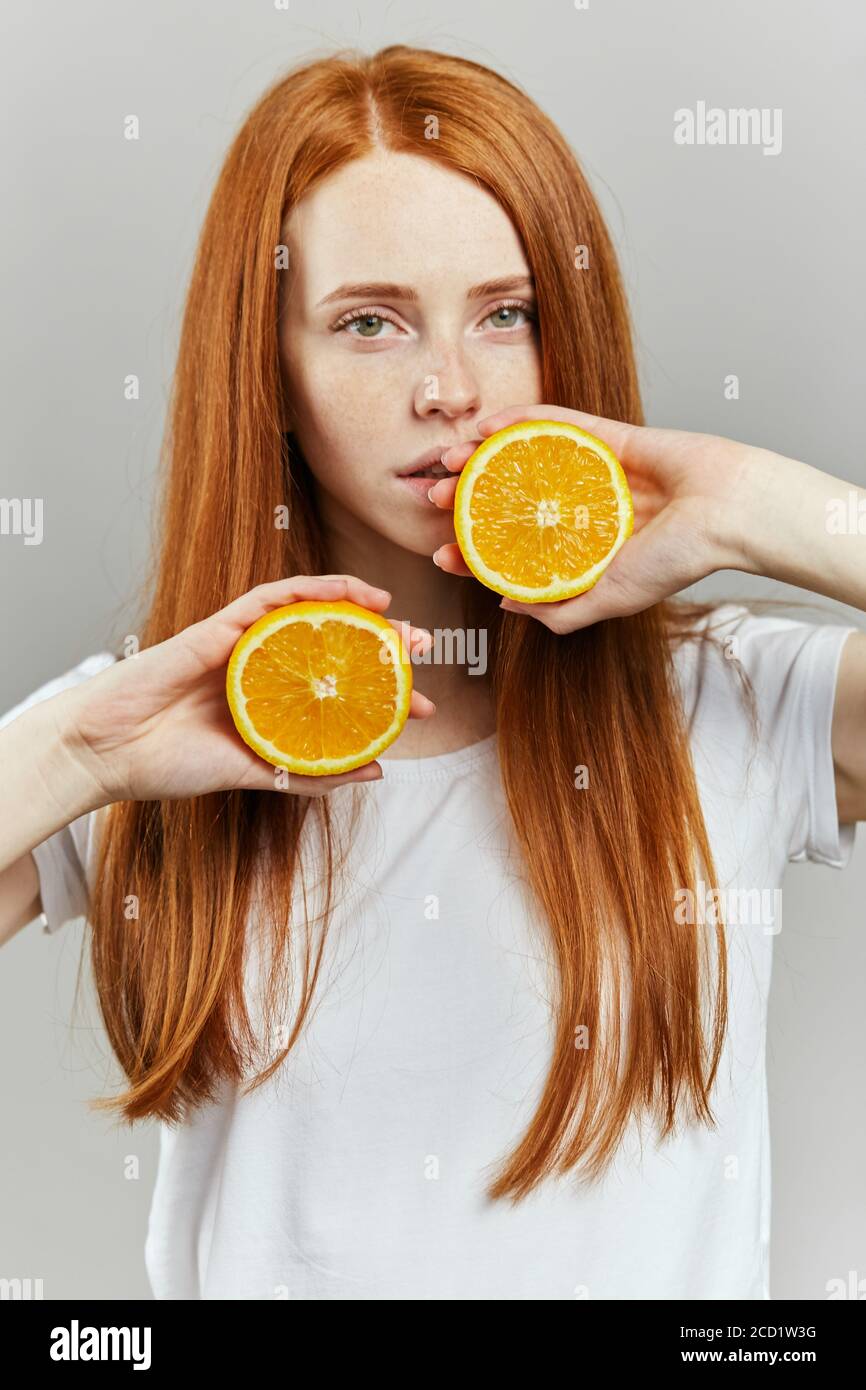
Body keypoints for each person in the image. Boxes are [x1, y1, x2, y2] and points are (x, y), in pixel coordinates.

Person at [1, 45, 864, 1301]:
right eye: (368, 322)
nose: (447, 390)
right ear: (271, 375)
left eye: (505, 314)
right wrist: (73, 757)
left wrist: (754, 509)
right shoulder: (146, 727)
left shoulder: (733, 696)